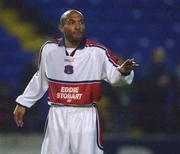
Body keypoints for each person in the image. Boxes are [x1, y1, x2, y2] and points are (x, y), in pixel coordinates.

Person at [13, 9, 138, 154]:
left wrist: (124, 72)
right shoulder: (48, 49)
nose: (77, 26)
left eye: (81, 22)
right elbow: (40, 78)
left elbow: (115, 77)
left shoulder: (97, 52)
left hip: (85, 115)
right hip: (57, 114)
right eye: (71, 22)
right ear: (61, 27)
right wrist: (23, 102)